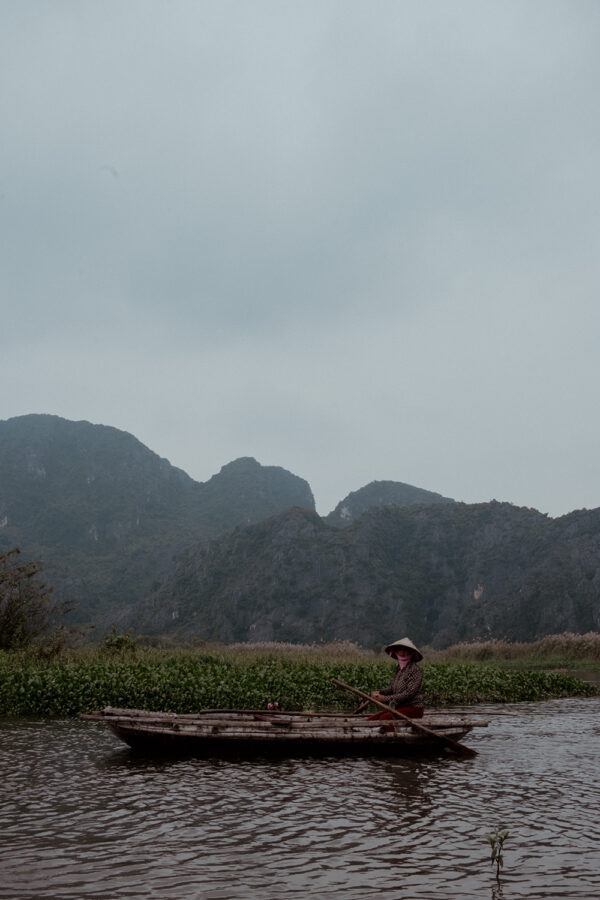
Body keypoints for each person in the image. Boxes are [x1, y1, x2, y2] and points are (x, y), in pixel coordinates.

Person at [369, 637, 424, 719]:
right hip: (400, 708)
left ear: (411, 652)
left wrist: (385, 699)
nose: (402, 652)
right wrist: (379, 692)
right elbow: (392, 689)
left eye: (406, 650)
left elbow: (409, 693)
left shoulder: (414, 669)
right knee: (372, 719)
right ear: (396, 652)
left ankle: (390, 732)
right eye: (399, 650)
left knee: (385, 718)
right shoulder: (399, 669)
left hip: (413, 709)